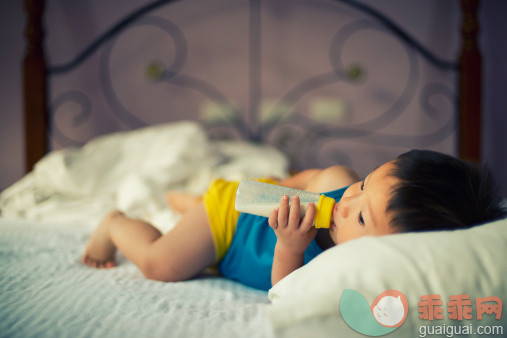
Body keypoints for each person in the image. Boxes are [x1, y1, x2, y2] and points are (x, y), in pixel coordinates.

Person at [82, 150, 506, 290]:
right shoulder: (339, 187)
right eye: (365, 183)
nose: (345, 203)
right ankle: (115, 223)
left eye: (361, 216)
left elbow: (293, 295)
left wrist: (291, 245)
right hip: (231, 221)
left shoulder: (357, 271)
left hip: (240, 242)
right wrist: (275, 190)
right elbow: (310, 178)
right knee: (161, 266)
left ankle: (188, 202)